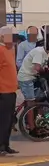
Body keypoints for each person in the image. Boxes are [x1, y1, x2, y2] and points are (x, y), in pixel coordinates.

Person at [0, 26, 19, 155]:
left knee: (9, 120)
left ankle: (6, 144)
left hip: (11, 90)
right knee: (3, 120)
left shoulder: (10, 50)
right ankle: (1, 146)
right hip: (3, 91)